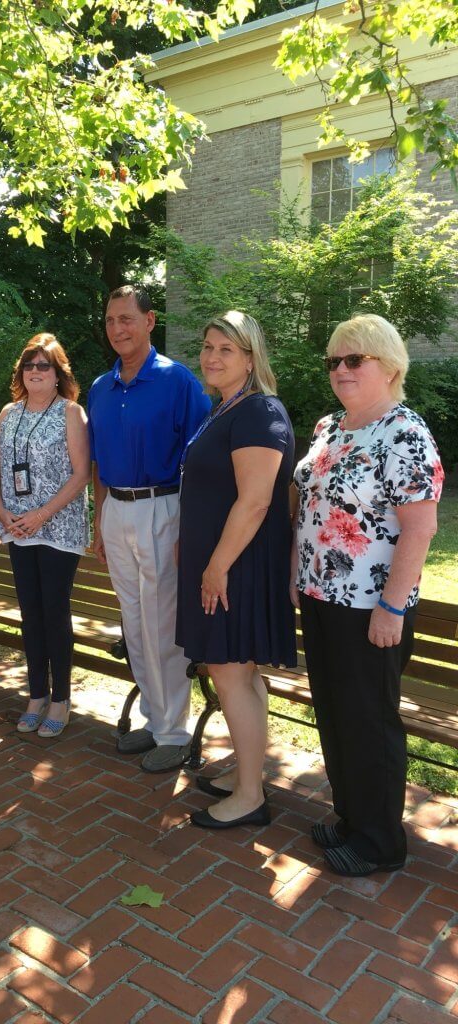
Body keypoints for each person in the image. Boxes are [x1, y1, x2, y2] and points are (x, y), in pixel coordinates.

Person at [292, 313, 442, 876]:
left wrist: (392, 606)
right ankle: (352, 819)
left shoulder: (405, 432)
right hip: (321, 595)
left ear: (390, 365)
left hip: (370, 607)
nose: (341, 369)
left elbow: (420, 528)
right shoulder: (330, 428)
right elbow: (309, 510)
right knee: (336, 712)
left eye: (355, 359)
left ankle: (381, 842)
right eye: (334, 360)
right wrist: (295, 572)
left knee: (370, 720)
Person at [177, 311, 296, 829]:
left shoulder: (258, 412)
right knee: (238, 674)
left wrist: (217, 565)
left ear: (250, 357)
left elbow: (255, 501)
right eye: (207, 347)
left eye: (226, 349)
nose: (211, 357)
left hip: (237, 565)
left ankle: (250, 797)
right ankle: (249, 774)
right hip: (221, 561)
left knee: (230, 673)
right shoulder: (225, 408)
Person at [88, 285, 211, 772]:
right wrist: (100, 521)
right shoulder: (101, 387)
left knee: (162, 624)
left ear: (149, 320)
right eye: (110, 320)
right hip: (116, 511)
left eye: (126, 319)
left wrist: (189, 528)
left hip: (164, 507)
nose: (117, 328)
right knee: (134, 622)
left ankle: (175, 733)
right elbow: (98, 464)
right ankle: (154, 720)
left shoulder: (177, 381)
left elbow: (200, 464)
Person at [0, 334, 90, 738]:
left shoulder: (71, 412)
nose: (34, 372)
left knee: (54, 612)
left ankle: (60, 700)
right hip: (17, 529)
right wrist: (1, 512)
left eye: (43, 365)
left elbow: (82, 473)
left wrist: (41, 514)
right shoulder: (9, 413)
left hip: (57, 529)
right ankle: (35, 695)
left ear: (57, 371)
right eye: (28, 365)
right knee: (30, 614)